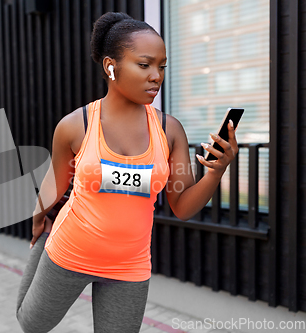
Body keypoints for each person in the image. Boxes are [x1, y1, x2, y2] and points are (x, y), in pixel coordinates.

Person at [16, 11, 239, 333]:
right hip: (69, 251)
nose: (156, 76)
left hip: (129, 266)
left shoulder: (169, 130)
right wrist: (40, 216)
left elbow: (183, 208)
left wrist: (216, 173)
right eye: (144, 64)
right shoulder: (74, 125)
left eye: (162, 66)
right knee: (31, 324)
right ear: (111, 66)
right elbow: (56, 178)